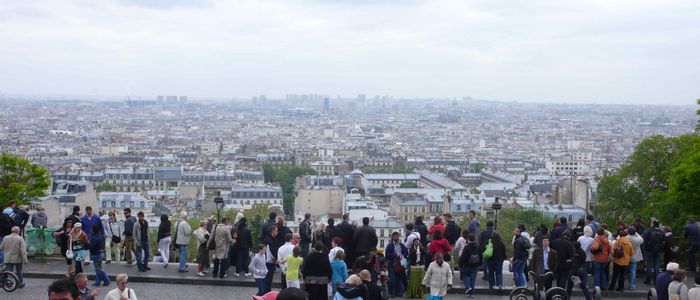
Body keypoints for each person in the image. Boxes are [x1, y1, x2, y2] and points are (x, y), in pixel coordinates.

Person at [386, 231, 408, 297]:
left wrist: (402, 255)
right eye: (395, 236)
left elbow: (406, 252)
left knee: (399, 279)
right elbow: (387, 255)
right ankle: (392, 292)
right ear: (392, 237)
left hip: (400, 264)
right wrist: (395, 256)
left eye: (398, 236)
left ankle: (399, 292)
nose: (397, 237)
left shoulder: (401, 245)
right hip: (392, 264)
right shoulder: (389, 245)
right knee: (392, 278)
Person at [644, 219, 665, 285]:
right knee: (657, 266)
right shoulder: (662, 232)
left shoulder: (649, 231)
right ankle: (656, 281)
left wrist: (645, 248)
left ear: (653, 224)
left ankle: (648, 280)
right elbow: (663, 240)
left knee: (649, 265)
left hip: (650, 250)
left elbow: (645, 239)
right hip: (658, 250)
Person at [262, 226, 279, 290]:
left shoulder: (269, 238)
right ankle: (266, 292)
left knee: (268, 278)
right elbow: (272, 251)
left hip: (268, 261)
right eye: (276, 231)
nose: (277, 232)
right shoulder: (270, 239)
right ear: (273, 231)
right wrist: (277, 258)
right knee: (268, 278)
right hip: (269, 261)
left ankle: (267, 291)